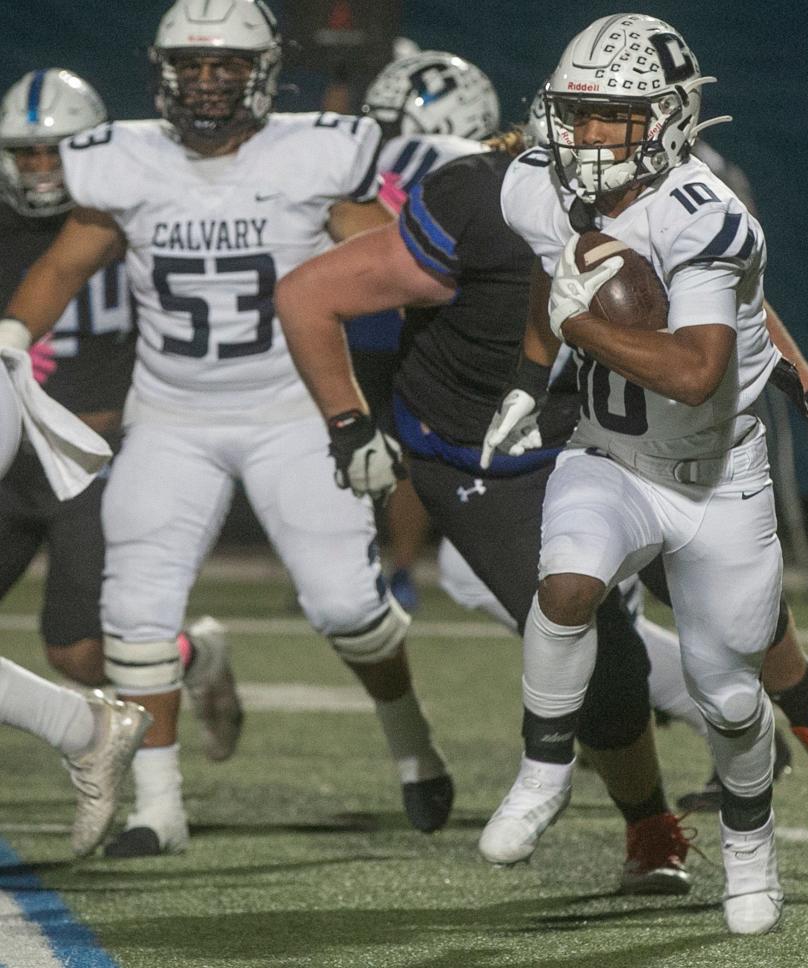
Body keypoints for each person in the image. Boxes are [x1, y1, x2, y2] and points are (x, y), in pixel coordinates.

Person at [0, 0, 449, 858]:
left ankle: (411, 740)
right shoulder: (120, 160)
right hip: (171, 414)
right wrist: (12, 343)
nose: (207, 82)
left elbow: (392, 260)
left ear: (263, 72)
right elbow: (62, 265)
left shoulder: (312, 152)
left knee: (348, 607)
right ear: (164, 71)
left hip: (291, 409)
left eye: (227, 66)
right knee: (133, 607)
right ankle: (156, 808)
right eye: (192, 66)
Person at [277, 131, 695, 894]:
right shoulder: (485, 195)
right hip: (487, 454)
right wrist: (349, 424)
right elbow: (311, 292)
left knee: (724, 582)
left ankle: (802, 716)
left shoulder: (687, 196)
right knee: (599, 649)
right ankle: (646, 821)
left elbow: (739, 313)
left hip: (613, 429)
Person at [476, 14, 803, 934]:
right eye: (576, 114)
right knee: (567, 586)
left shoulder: (704, 216)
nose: (586, 138)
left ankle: (749, 848)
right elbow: (555, 282)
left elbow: (695, 369)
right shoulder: (537, 186)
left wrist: (578, 331)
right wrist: (524, 379)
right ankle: (543, 770)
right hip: (609, 454)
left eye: (610, 118)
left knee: (731, 699)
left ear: (665, 120)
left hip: (714, 479)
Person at [0, 67, 240, 765]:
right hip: (8, 460)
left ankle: (195, 657)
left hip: (96, 461)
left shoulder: (135, 215)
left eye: (58, 151)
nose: (43, 169)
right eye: (27, 153)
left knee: (77, 655)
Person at [329, 48, 502, 611]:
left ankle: (348, 563)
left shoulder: (376, 153)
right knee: (412, 448)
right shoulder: (476, 162)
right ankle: (399, 569)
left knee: (346, 436)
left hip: (355, 313)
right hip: (433, 317)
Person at [0, 324, 151, 859]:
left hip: (67, 442)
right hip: (17, 432)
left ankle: (86, 726)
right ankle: (83, 728)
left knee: (78, 648)